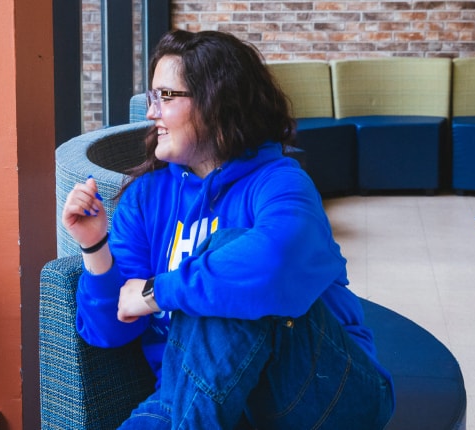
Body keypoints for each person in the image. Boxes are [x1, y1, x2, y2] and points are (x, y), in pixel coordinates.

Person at [61, 30, 394, 429]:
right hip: (192, 399)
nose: (151, 113)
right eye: (153, 98)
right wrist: (95, 245)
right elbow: (107, 333)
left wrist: (157, 292)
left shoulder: (280, 183)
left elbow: (274, 262)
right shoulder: (146, 198)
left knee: (231, 265)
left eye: (165, 97)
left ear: (216, 102)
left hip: (320, 393)